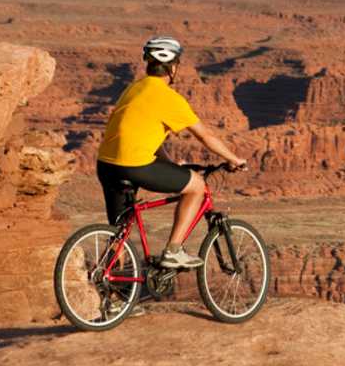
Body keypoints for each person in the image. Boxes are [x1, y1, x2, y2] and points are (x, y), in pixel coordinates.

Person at [97, 36, 247, 269]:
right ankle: (173, 251)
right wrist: (233, 158)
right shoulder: (169, 98)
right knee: (197, 186)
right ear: (172, 67)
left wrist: (170, 166)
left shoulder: (134, 88)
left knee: (120, 231)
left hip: (106, 165)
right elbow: (205, 136)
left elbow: (143, 134)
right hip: (134, 165)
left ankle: (114, 297)